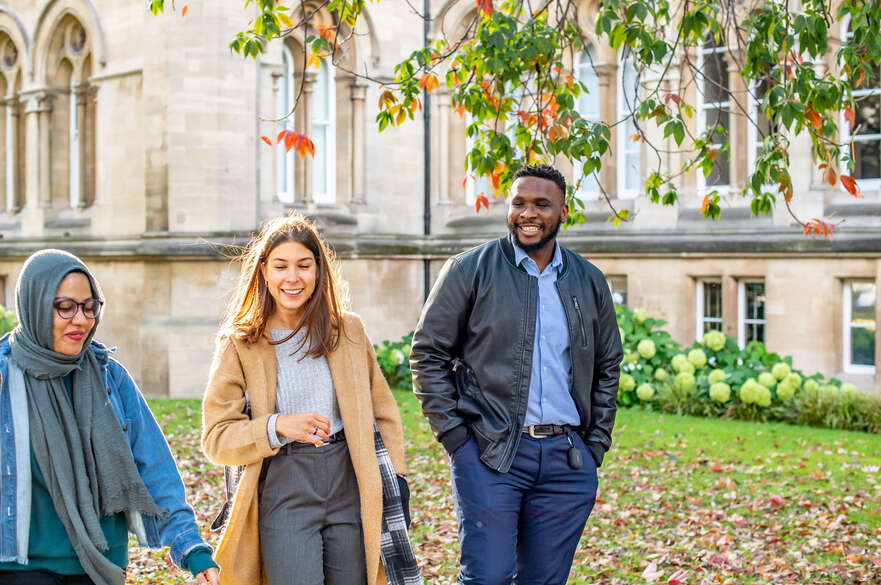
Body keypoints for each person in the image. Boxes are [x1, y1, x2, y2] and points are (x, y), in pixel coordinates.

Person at [411, 164, 622, 584]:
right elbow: (427, 354)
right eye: (519, 203)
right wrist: (457, 439)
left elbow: (607, 363)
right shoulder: (470, 270)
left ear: (563, 211)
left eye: (541, 205)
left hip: (567, 459)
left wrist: (594, 443)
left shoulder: (588, 280)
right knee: (487, 577)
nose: (528, 214)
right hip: (491, 453)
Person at [201, 213, 419, 585]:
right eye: (281, 266)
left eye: (304, 265)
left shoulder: (348, 330)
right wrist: (276, 426)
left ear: (318, 271)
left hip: (349, 479)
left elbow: (384, 413)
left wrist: (394, 479)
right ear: (264, 272)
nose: (292, 277)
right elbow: (216, 438)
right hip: (284, 482)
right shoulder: (240, 343)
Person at [0, 249, 219, 585]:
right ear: (34, 303)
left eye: (90, 307)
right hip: (20, 568)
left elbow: (153, 466)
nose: (81, 320)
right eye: (65, 307)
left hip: (101, 567)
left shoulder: (110, 378)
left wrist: (190, 548)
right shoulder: (4, 378)